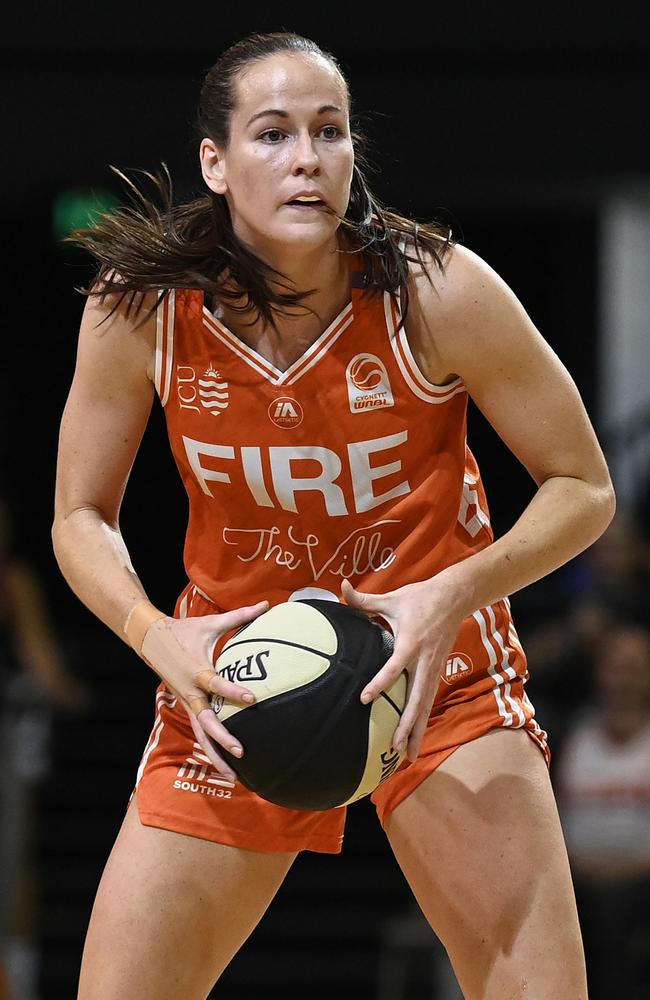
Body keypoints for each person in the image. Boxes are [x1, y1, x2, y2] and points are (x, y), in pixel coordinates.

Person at [52, 31, 616, 1000]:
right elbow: (78, 514)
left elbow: (583, 485)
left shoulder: (436, 289)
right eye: (272, 134)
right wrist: (155, 634)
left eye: (329, 131)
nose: (307, 157)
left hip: (438, 667)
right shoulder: (141, 307)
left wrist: (455, 590)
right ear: (215, 163)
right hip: (237, 679)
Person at [0, 496, 87, 1000]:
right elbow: (46, 669)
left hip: (12, 738)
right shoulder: (15, 580)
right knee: (14, 863)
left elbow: (42, 667)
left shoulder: (12, 581)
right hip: (10, 739)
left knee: (15, 863)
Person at [556, 622, 650, 998]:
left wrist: (623, 871)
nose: (622, 679)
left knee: (616, 910)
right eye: (615, 667)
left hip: (640, 885)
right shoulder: (574, 736)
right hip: (580, 880)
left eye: (633, 668)